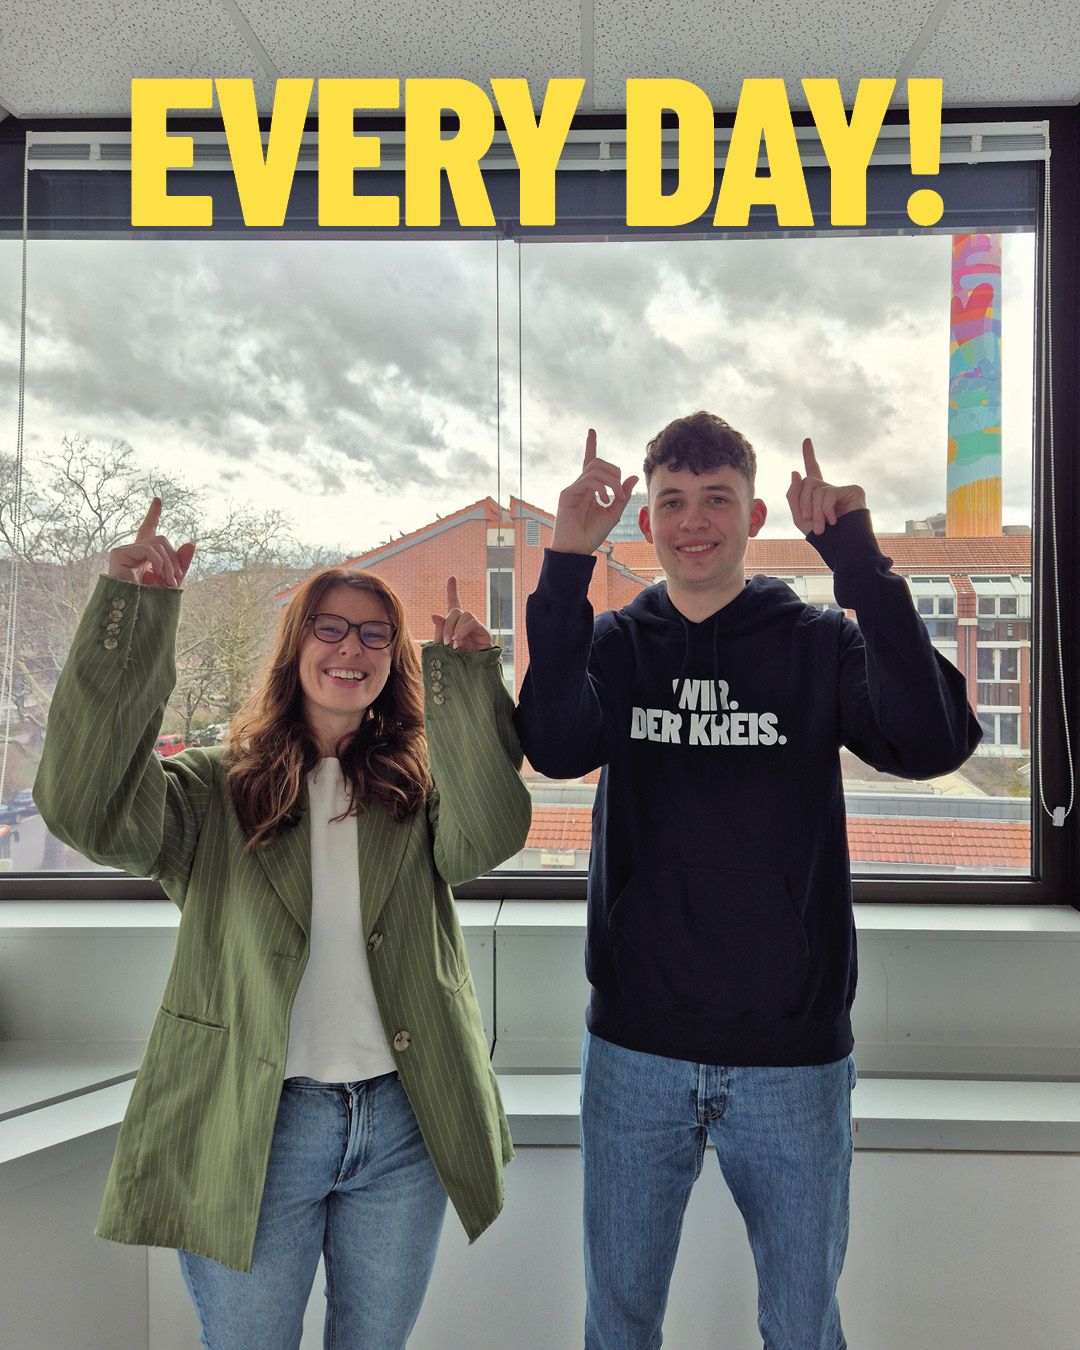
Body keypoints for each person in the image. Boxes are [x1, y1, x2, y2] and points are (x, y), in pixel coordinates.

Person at [514, 413, 981, 1349]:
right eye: (672, 503)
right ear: (645, 524)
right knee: (619, 1324)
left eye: (716, 499)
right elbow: (554, 746)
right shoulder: (616, 642)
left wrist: (860, 562)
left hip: (794, 1060)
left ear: (755, 513)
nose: (694, 521)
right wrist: (564, 561)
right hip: (635, 1053)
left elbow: (933, 742)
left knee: (803, 1327)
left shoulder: (815, 639)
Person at [33, 499, 531, 1350]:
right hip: (255, 1125)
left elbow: (492, 834)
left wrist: (466, 677)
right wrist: (133, 612)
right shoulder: (212, 788)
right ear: (297, 645)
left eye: (377, 636)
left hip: (404, 1126)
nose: (352, 650)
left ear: (395, 662)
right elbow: (85, 808)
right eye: (331, 628)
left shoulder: (418, 792)